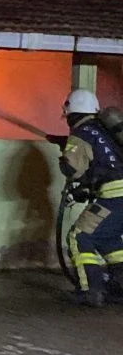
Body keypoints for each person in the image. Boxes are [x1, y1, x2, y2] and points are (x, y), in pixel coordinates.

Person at [57, 88, 123, 307]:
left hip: (114, 197)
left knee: (79, 237)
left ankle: (90, 290)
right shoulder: (104, 131)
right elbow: (104, 165)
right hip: (118, 197)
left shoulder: (82, 133)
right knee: (109, 240)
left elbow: (72, 168)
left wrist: (65, 155)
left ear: (71, 111)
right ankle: (120, 288)